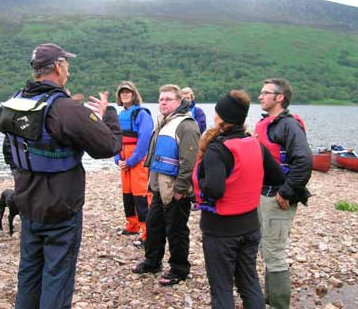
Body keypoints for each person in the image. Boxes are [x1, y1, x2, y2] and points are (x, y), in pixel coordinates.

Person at [0, 43, 122, 309]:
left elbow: (9, 148)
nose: (68, 69)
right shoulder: (65, 108)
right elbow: (108, 146)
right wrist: (108, 115)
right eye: (66, 64)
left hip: (28, 202)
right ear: (57, 66)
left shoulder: (16, 102)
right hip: (61, 208)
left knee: (29, 273)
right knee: (57, 275)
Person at [193, 90, 285, 309]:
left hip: (221, 231)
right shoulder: (254, 144)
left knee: (222, 287)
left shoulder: (218, 149)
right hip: (251, 226)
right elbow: (277, 177)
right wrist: (247, 184)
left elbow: (214, 190)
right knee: (249, 281)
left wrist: (199, 186)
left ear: (222, 117)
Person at [132, 84, 200, 286]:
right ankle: (152, 262)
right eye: (161, 99)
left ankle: (179, 269)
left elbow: (190, 160)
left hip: (175, 189)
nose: (163, 102)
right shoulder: (163, 122)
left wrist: (181, 189)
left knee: (177, 230)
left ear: (179, 102)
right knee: (154, 225)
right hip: (160, 186)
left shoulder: (186, 125)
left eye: (168, 99)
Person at [254, 78, 312, 309]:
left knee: (274, 253)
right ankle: (270, 300)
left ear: (280, 98)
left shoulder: (288, 125)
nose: (260, 96)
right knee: (267, 250)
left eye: (265, 93)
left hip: (277, 197)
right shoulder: (267, 123)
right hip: (263, 194)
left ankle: (278, 305)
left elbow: (304, 161)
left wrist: (287, 192)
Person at [114, 81, 154, 246]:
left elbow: (144, 141)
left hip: (138, 160)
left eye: (128, 92)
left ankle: (148, 233)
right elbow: (115, 138)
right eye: (122, 92)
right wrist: (117, 158)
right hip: (124, 159)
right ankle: (132, 225)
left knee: (141, 196)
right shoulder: (119, 115)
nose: (125, 94)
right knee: (128, 194)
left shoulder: (142, 114)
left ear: (134, 94)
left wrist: (131, 161)